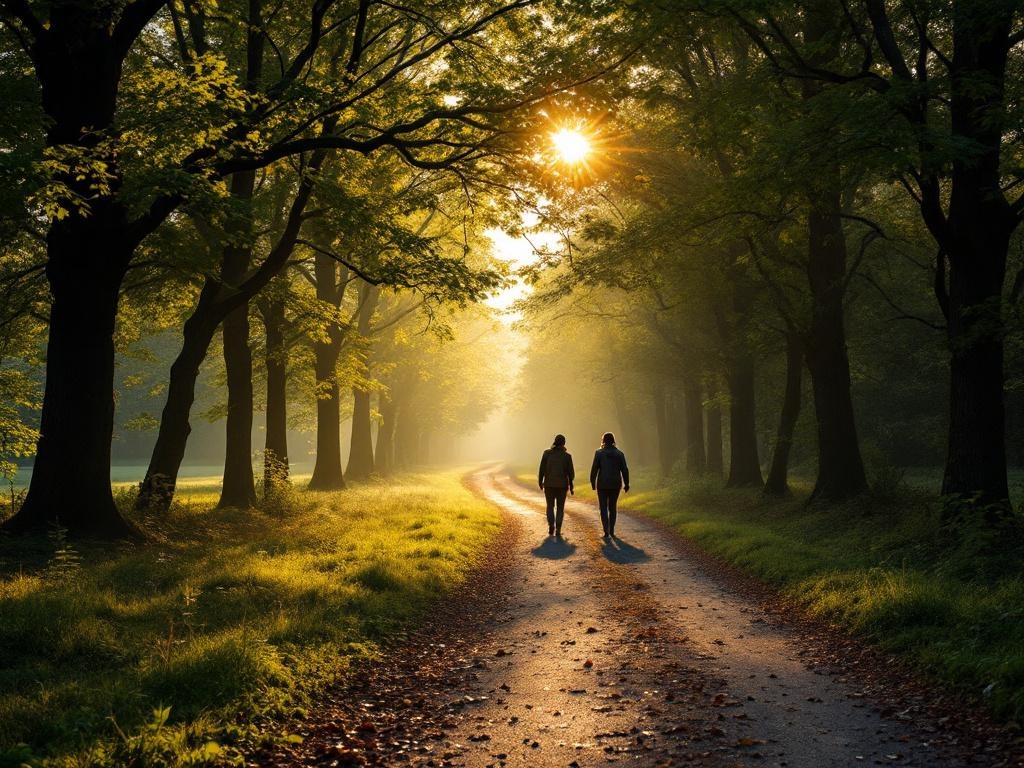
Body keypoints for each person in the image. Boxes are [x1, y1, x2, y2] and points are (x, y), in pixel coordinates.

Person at [590, 432, 629, 538]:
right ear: (613, 441)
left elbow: (594, 469)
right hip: (615, 484)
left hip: (602, 484)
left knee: (603, 507)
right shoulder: (619, 454)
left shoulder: (599, 453)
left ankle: (606, 531)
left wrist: (593, 482)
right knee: (612, 507)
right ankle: (611, 530)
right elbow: (624, 470)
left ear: (603, 440)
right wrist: (627, 483)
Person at [538, 434, 575, 537]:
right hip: (562, 486)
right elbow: (571, 474)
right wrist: (571, 486)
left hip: (549, 484)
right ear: (564, 443)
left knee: (550, 506)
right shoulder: (567, 456)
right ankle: (558, 527)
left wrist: (540, 481)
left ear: (554, 442)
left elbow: (542, 469)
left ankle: (551, 525)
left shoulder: (547, 454)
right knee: (560, 507)